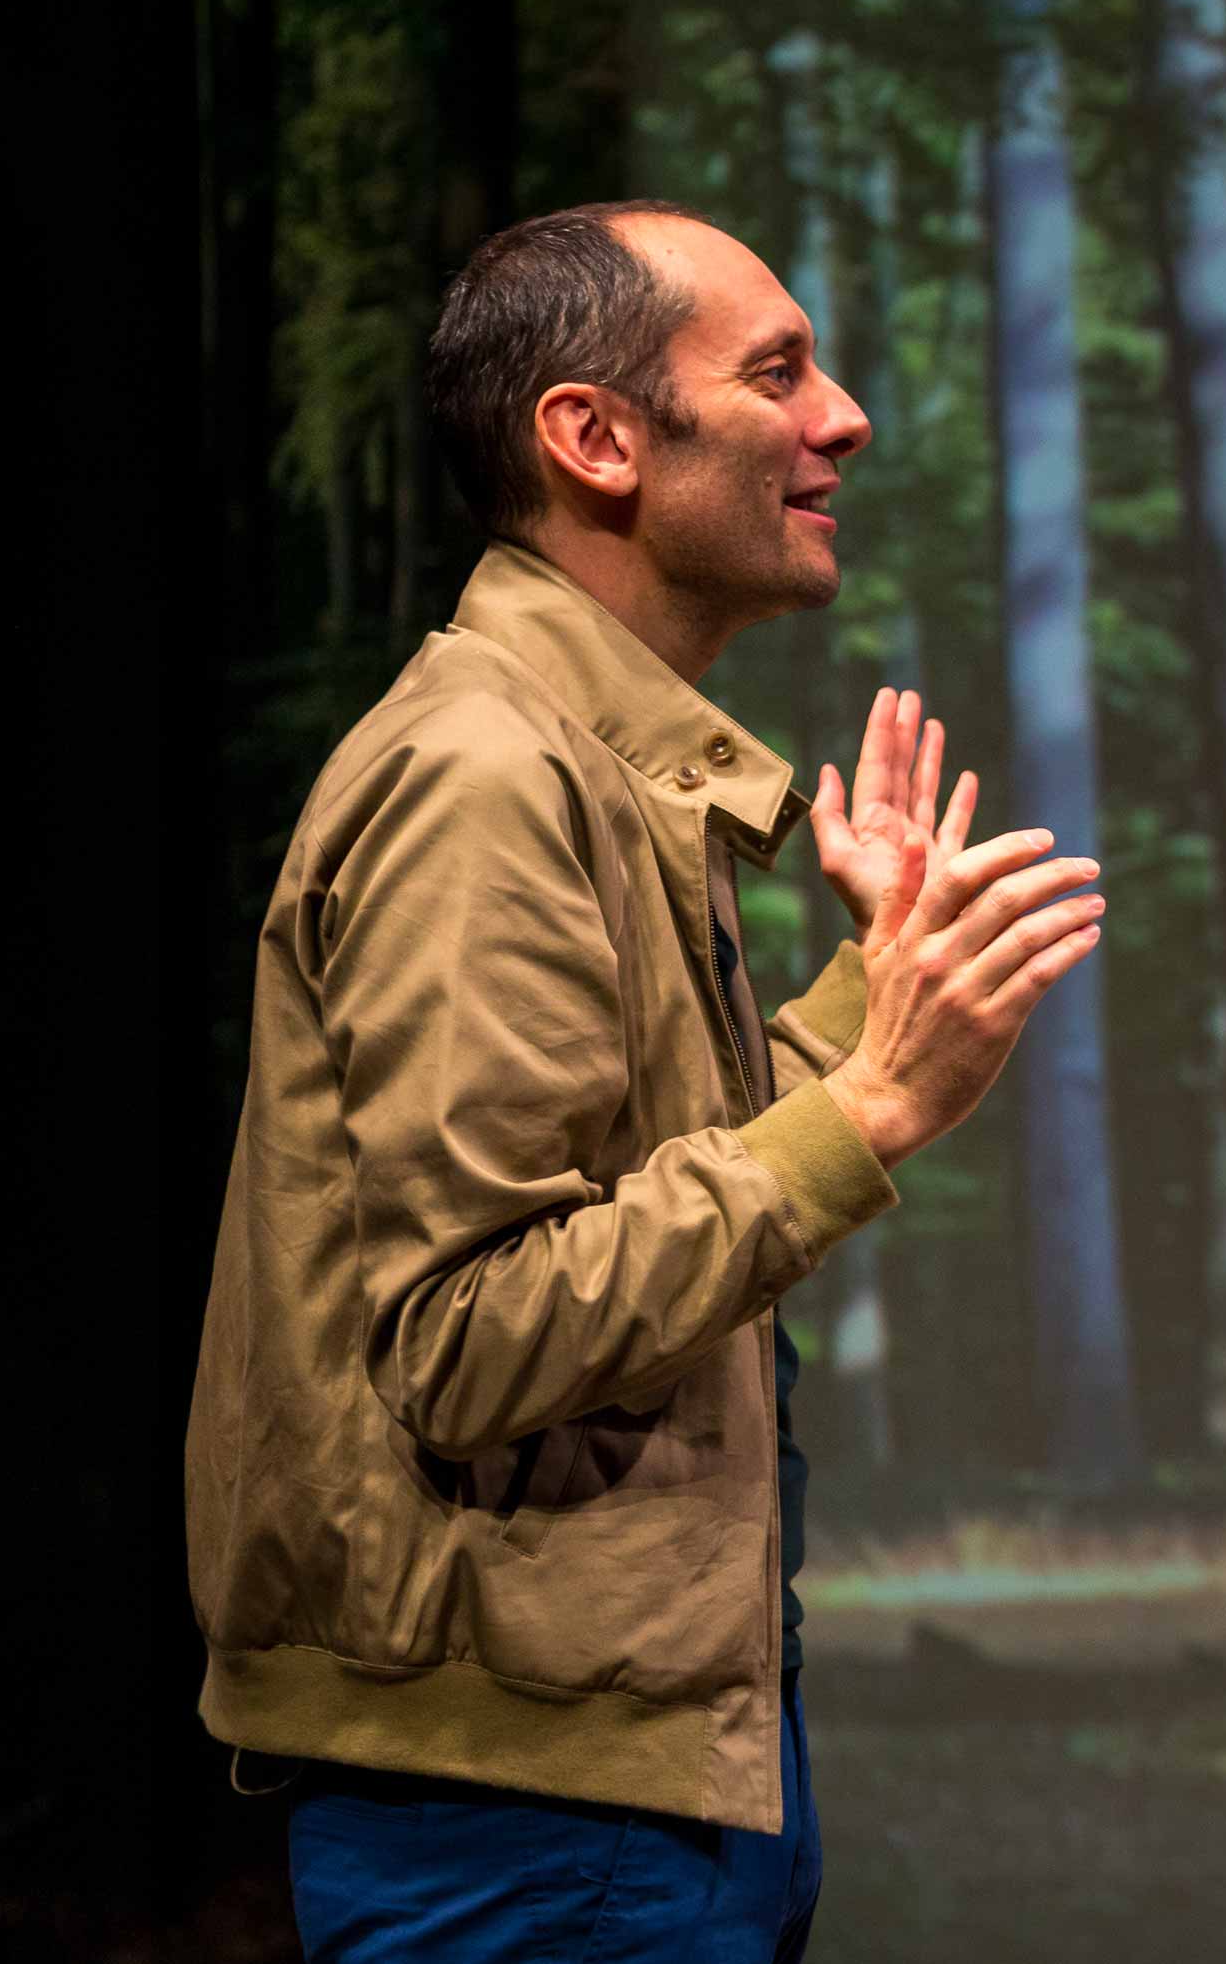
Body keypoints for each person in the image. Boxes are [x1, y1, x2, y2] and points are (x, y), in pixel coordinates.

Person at [184, 201, 1106, 1962]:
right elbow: (474, 1336)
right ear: (595, 439)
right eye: (777, 372)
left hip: (617, 1788)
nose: (838, 418)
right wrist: (866, 1118)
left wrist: (861, 1019)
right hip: (536, 1823)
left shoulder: (583, 769)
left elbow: (617, 1205)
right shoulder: (483, 776)